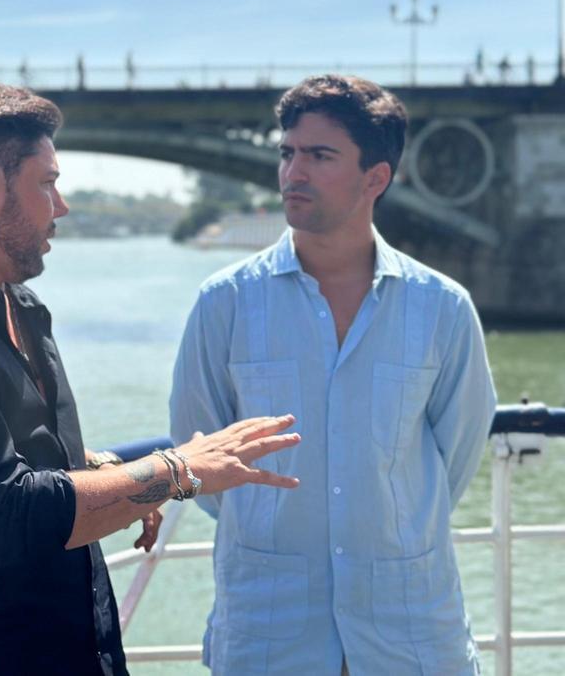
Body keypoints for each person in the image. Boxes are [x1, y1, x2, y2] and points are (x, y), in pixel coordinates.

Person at [0, 82, 301, 676]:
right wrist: (177, 471)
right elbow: (6, 511)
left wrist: (99, 472)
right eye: (46, 183)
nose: (62, 206)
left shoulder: (20, 305)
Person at [169, 74, 497, 675]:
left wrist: (386, 524)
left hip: (409, 634)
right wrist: (277, 531)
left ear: (376, 177)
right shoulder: (226, 304)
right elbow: (197, 449)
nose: (294, 172)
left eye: (320, 156)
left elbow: (457, 458)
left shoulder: (442, 308)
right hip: (271, 633)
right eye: (288, 153)